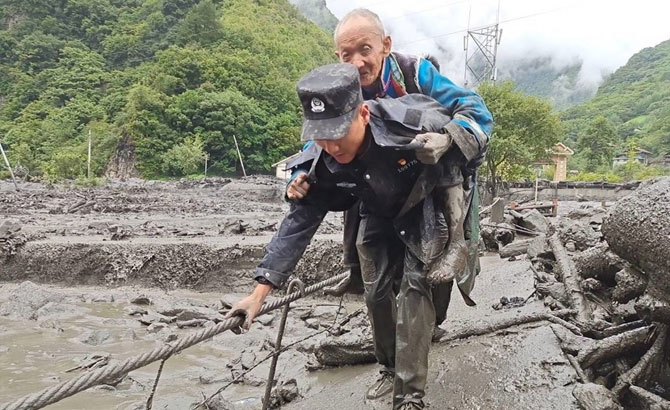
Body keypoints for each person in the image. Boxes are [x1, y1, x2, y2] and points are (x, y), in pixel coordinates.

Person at [228, 63, 490, 410]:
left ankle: (409, 397)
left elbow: (469, 153)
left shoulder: (411, 122)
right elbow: (298, 225)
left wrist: (447, 147)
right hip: (377, 208)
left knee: (416, 286)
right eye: (321, 135)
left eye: (337, 132)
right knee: (376, 290)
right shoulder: (323, 160)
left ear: (363, 113)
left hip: (426, 201)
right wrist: (258, 295)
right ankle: (388, 367)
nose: (331, 145)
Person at [287, 8, 492, 340]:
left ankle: (433, 322)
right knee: (373, 264)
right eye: (346, 55)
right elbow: (325, 135)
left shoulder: (416, 73)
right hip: (380, 185)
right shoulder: (343, 91)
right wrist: (301, 172)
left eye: (365, 50)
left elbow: (477, 112)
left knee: (431, 263)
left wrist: (448, 139)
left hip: (432, 177)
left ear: (385, 45)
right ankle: (363, 286)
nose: (356, 63)